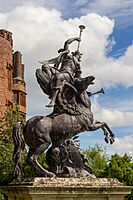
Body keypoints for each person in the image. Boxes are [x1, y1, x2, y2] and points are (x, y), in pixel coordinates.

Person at [46, 37, 83, 107]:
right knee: (45, 66)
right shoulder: (68, 56)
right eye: (76, 53)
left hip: (68, 75)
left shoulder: (78, 65)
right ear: (74, 53)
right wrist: (75, 38)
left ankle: (53, 100)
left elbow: (78, 76)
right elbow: (67, 42)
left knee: (58, 77)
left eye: (79, 54)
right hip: (59, 71)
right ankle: (50, 83)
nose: (78, 54)